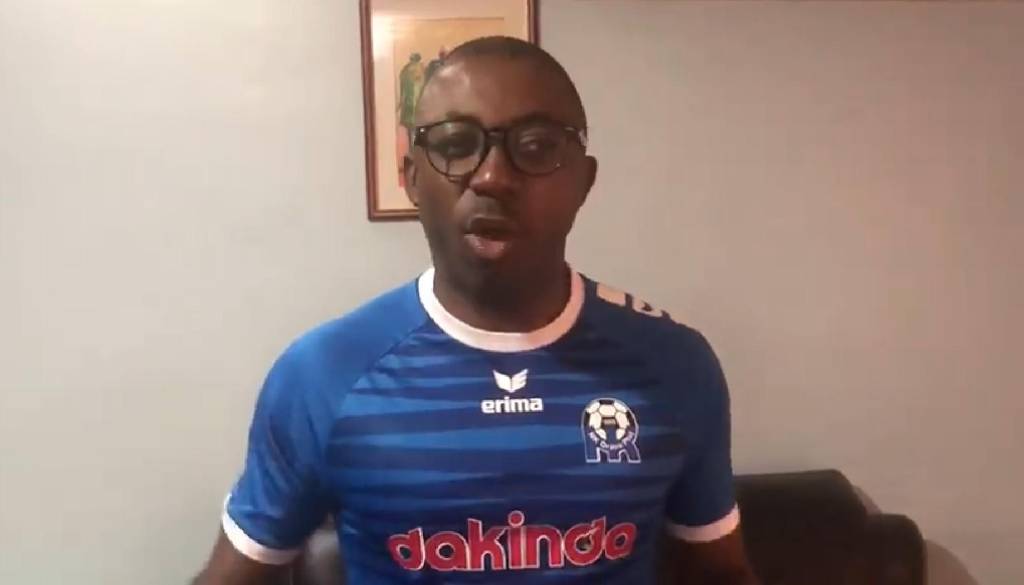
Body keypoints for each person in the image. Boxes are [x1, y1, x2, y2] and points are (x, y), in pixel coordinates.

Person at [193, 36, 759, 584]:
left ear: (583, 182)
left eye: (535, 147)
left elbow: (719, 574)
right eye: (455, 143)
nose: (492, 177)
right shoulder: (323, 373)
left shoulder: (673, 364)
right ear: (412, 177)